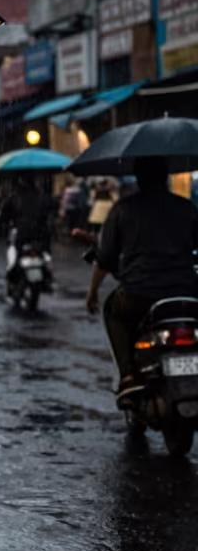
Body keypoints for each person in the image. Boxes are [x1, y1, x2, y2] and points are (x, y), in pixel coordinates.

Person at [86, 156, 198, 401]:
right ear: (165, 177)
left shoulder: (123, 209)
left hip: (139, 294)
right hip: (186, 292)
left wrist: (93, 292)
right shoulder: (185, 207)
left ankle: (127, 375)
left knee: (112, 311)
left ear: (138, 179)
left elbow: (105, 259)